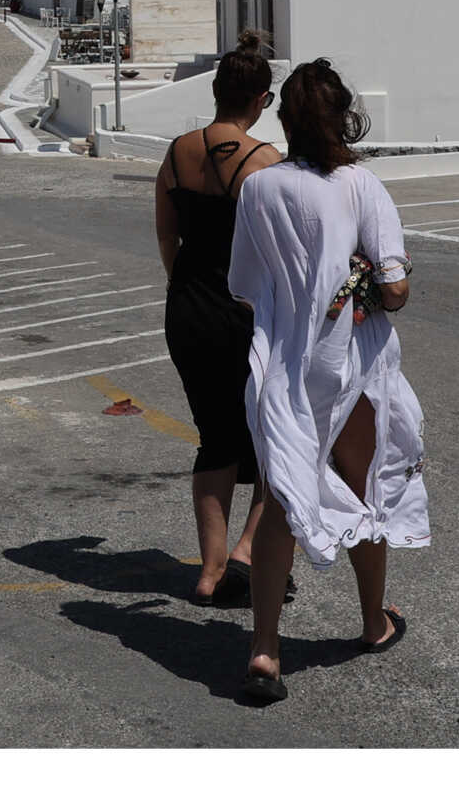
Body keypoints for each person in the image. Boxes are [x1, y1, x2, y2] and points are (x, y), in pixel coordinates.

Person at [227, 57, 428, 704]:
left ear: (284, 119)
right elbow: (394, 289)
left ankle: (264, 650)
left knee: (283, 497)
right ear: (344, 117)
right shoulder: (360, 185)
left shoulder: (258, 189)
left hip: (284, 366)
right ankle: (373, 623)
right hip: (353, 363)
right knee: (361, 486)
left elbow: (244, 287)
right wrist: (367, 280)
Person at [153, 35, 283, 606]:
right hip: (246, 312)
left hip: (187, 308)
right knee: (274, 436)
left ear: (214, 91)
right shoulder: (265, 162)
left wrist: (183, 283)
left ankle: (208, 572)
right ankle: (248, 554)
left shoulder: (177, 151)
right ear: (262, 99)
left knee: (215, 438)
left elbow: (166, 233)